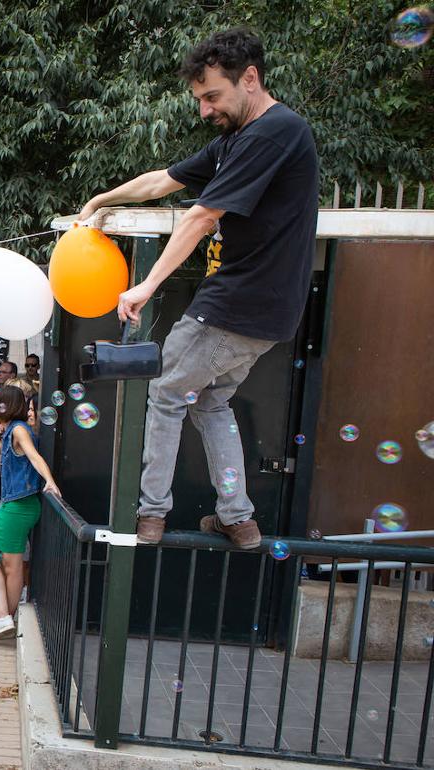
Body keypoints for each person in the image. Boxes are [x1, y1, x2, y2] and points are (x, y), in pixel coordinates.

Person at [78, 29, 316, 550]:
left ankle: (150, 514)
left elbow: (202, 216)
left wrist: (146, 285)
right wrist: (100, 200)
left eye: (212, 96)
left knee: (165, 392)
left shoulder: (274, 133)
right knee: (210, 400)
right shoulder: (236, 140)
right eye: (200, 100)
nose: (206, 110)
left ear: (249, 78)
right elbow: (161, 181)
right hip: (266, 315)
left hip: (235, 304)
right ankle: (239, 519)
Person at [0, 385, 61, 640]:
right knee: (2, 562)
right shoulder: (14, 429)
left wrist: (50, 480)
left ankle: (3, 617)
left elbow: (34, 457)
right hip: (17, 505)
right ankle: (4, 619)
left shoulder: (19, 429)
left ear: (6, 405)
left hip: (19, 506)